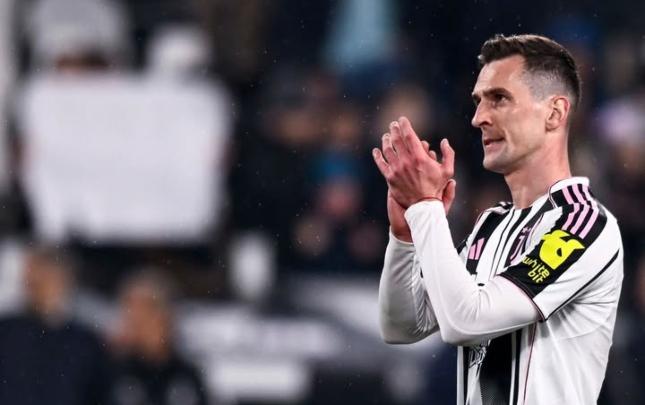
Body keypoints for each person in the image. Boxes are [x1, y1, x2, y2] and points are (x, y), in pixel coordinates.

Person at [372, 34, 623, 405]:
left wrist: (426, 206)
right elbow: (402, 325)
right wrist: (406, 235)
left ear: (554, 113)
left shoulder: (584, 224)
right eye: (478, 102)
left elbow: (466, 322)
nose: (479, 118)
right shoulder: (490, 226)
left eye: (499, 99)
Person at [0, 245, 112, 405]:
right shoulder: (6, 331)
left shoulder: (85, 341)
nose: (35, 287)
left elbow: (98, 393)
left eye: (46, 279)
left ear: (65, 280)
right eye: (32, 281)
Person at [109, 269, 209, 405]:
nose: (136, 324)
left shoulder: (187, 376)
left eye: (145, 315)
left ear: (166, 317)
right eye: (131, 317)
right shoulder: (111, 373)